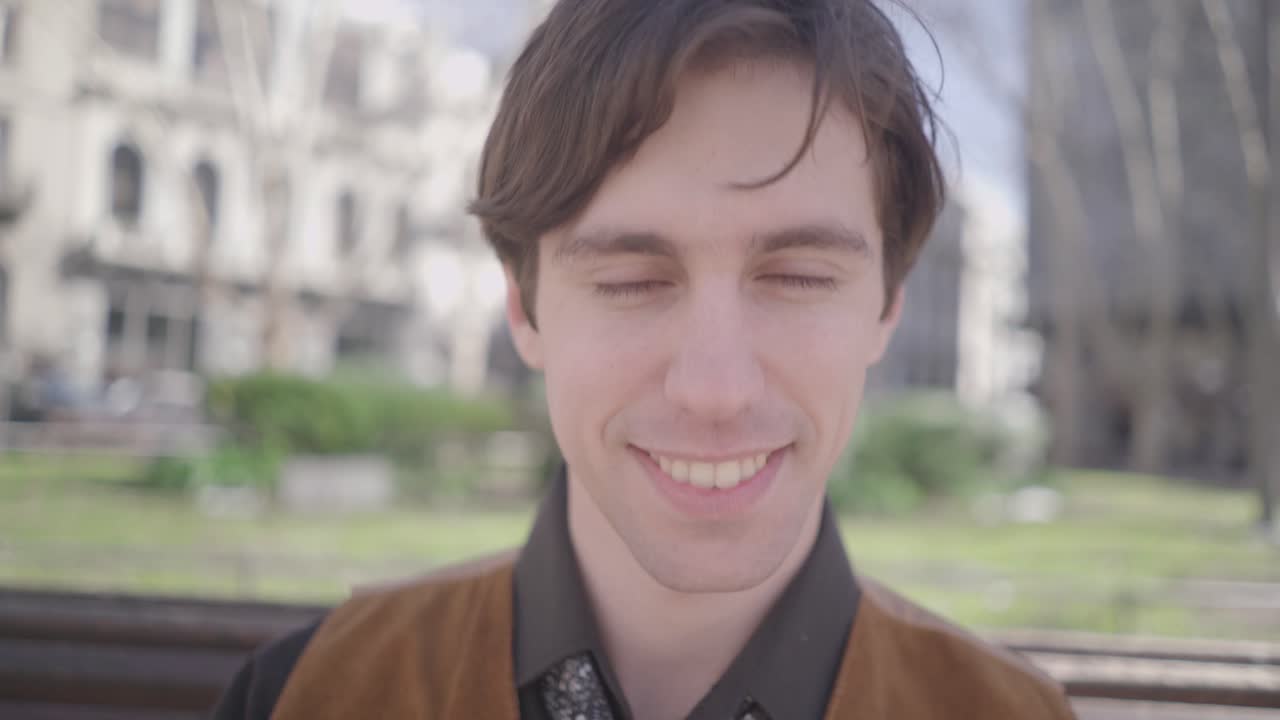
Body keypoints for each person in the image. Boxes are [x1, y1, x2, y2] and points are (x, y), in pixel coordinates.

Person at [213, 0, 1077, 718]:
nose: (715, 389)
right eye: (631, 281)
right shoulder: (313, 695)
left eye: (799, 277)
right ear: (524, 309)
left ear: (886, 304)